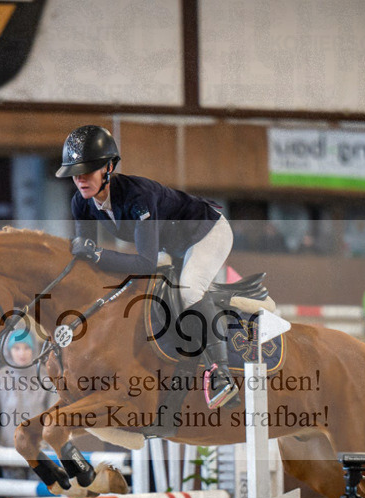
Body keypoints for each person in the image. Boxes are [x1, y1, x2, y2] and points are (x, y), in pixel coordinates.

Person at [56, 124, 238, 408]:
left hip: (206, 232)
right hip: (172, 244)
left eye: (87, 171)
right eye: (74, 173)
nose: (79, 179)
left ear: (109, 167)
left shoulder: (137, 197)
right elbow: (86, 260)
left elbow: (144, 262)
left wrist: (95, 254)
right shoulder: (81, 203)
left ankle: (221, 374)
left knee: (188, 292)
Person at [0, 329, 58, 478]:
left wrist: (52, 444)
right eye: (17, 348)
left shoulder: (47, 379)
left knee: (40, 495)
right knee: (14, 495)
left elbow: (55, 415)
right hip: (9, 453)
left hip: (41, 452)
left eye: (26, 348)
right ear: (9, 351)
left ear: (34, 350)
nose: (22, 353)